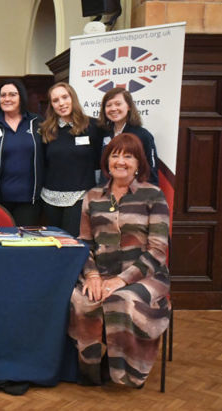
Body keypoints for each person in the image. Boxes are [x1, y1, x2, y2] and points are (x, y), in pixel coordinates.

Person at [69, 133, 170, 388]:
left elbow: (158, 250)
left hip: (145, 275)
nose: (121, 161)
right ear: (107, 161)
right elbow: (85, 242)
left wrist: (120, 280)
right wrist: (92, 275)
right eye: (115, 155)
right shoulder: (92, 196)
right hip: (101, 271)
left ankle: (128, 371)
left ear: (139, 163)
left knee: (119, 299)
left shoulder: (153, 196)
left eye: (128, 156)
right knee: (81, 300)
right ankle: (89, 371)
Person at [40, 82, 101, 237]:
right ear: (51, 105)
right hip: (50, 198)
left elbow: (100, 162)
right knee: (54, 245)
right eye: (55, 100)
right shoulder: (46, 130)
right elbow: (43, 164)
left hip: (80, 196)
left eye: (65, 97)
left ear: (72, 97)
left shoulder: (93, 126)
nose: (61, 103)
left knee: (72, 243)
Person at [0, 79, 44, 225]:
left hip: (30, 200)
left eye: (12, 94)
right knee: (0, 243)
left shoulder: (37, 123)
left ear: (21, 97)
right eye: (3, 95)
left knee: (24, 244)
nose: (7, 99)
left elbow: (49, 157)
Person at [97, 87, 159, 185]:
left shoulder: (143, 135)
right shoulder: (103, 133)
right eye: (108, 105)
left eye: (118, 104)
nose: (113, 108)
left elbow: (151, 171)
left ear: (129, 106)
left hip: (133, 195)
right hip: (107, 193)